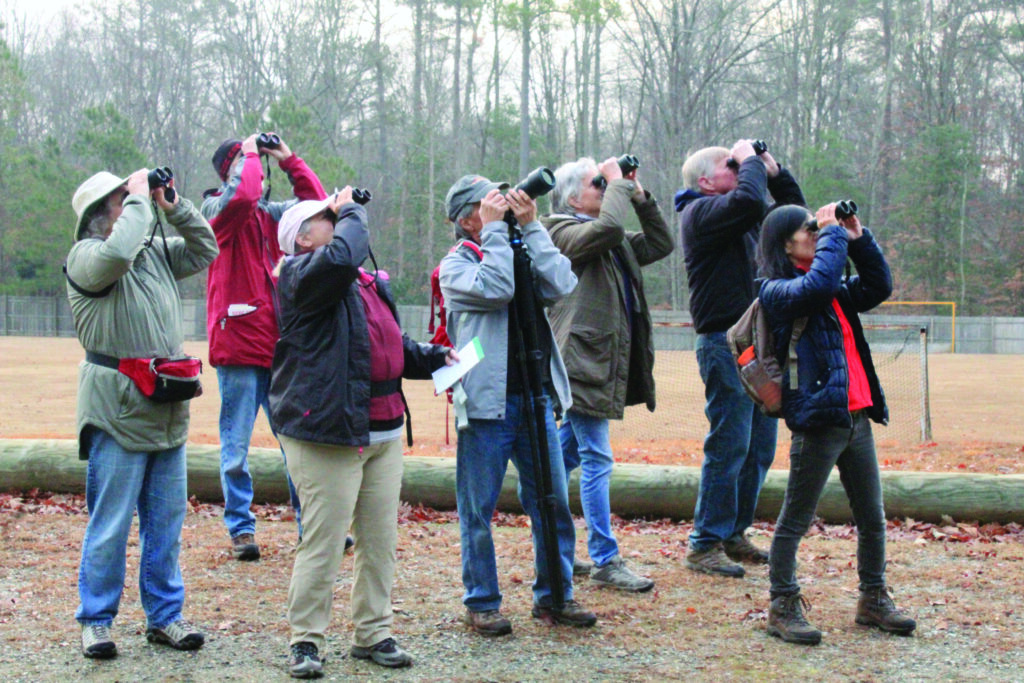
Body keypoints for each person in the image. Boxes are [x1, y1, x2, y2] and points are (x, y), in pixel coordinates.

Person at [270, 191, 456, 677]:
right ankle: (306, 640)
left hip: (384, 429)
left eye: (336, 216)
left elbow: (389, 344)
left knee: (379, 539)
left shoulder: (361, 281)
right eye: (324, 218)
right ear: (301, 239)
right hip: (326, 432)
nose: (336, 222)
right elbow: (341, 256)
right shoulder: (299, 276)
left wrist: (435, 358)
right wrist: (352, 209)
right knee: (325, 542)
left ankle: (373, 632)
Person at [66, 168, 219, 659]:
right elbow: (117, 252)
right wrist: (138, 199)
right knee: (110, 524)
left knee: (166, 521)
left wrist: (173, 205)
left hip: (165, 409)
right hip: (116, 411)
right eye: (120, 201)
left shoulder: (151, 253)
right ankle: (95, 619)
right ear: (98, 216)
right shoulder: (87, 258)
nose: (134, 205)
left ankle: (164, 616)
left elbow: (204, 249)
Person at [439, 174, 596, 637]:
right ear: (467, 218)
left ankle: (555, 596)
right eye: (488, 204)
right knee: (478, 509)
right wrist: (494, 232)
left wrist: (531, 228)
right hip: (487, 403)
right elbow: (497, 288)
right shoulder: (456, 265)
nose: (500, 206)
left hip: (534, 397)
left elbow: (563, 282)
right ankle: (482, 602)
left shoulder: (517, 247)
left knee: (551, 503)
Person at [756, 203, 916, 644]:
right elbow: (818, 282)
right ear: (785, 243)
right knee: (795, 520)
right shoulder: (776, 290)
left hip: (857, 416)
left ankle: (873, 599)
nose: (817, 233)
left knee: (872, 517)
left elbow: (878, 285)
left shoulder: (833, 291)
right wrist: (831, 233)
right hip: (818, 420)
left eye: (817, 227)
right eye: (809, 229)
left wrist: (857, 237)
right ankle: (782, 606)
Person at [674, 140, 805, 577]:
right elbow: (749, 198)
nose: (740, 169)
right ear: (706, 181)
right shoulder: (699, 213)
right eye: (731, 165)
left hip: (761, 344)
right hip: (725, 343)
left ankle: (732, 533)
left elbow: (796, 219)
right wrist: (749, 159)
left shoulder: (744, 216)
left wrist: (773, 169)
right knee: (730, 445)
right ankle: (704, 542)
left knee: (759, 448)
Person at [542, 156, 673, 591]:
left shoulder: (610, 234)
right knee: (597, 456)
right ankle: (604, 557)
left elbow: (660, 243)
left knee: (561, 461)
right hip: (580, 360)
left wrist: (638, 193)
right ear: (571, 196)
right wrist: (618, 187)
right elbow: (607, 231)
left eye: (605, 184)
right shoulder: (557, 230)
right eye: (597, 184)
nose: (604, 188)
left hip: (598, 360)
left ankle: (551, 539)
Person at [202, 132, 326, 560]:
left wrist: (290, 159)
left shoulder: (270, 217)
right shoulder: (216, 210)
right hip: (237, 345)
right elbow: (241, 198)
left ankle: (311, 524)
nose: (254, 167)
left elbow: (317, 212)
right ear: (230, 170)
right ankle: (241, 529)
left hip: (278, 347)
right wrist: (251, 153)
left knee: (297, 441)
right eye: (244, 162)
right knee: (235, 446)